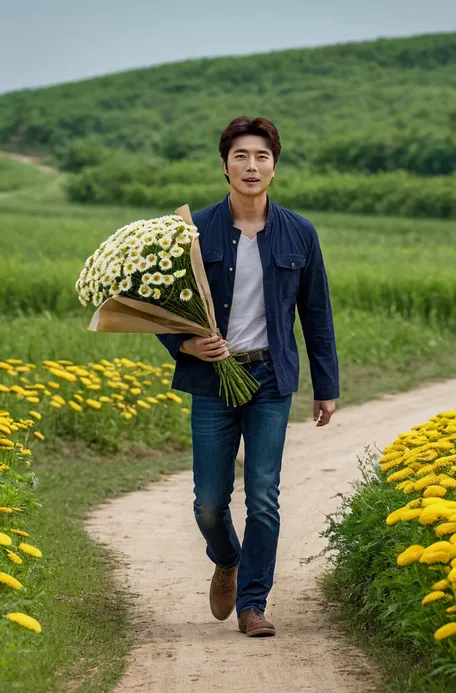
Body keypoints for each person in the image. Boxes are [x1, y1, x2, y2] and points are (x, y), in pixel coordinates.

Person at [156, 116, 339, 637]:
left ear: (274, 167)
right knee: (210, 503)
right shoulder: (193, 232)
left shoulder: (300, 233)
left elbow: (317, 315)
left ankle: (253, 603)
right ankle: (227, 559)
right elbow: (162, 308)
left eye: (261, 156)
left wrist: (327, 386)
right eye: (241, 156)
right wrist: (185, 344)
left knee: (262, 495)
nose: (251, 166)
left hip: (269, 381)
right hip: (212, 383)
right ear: (225, 166)